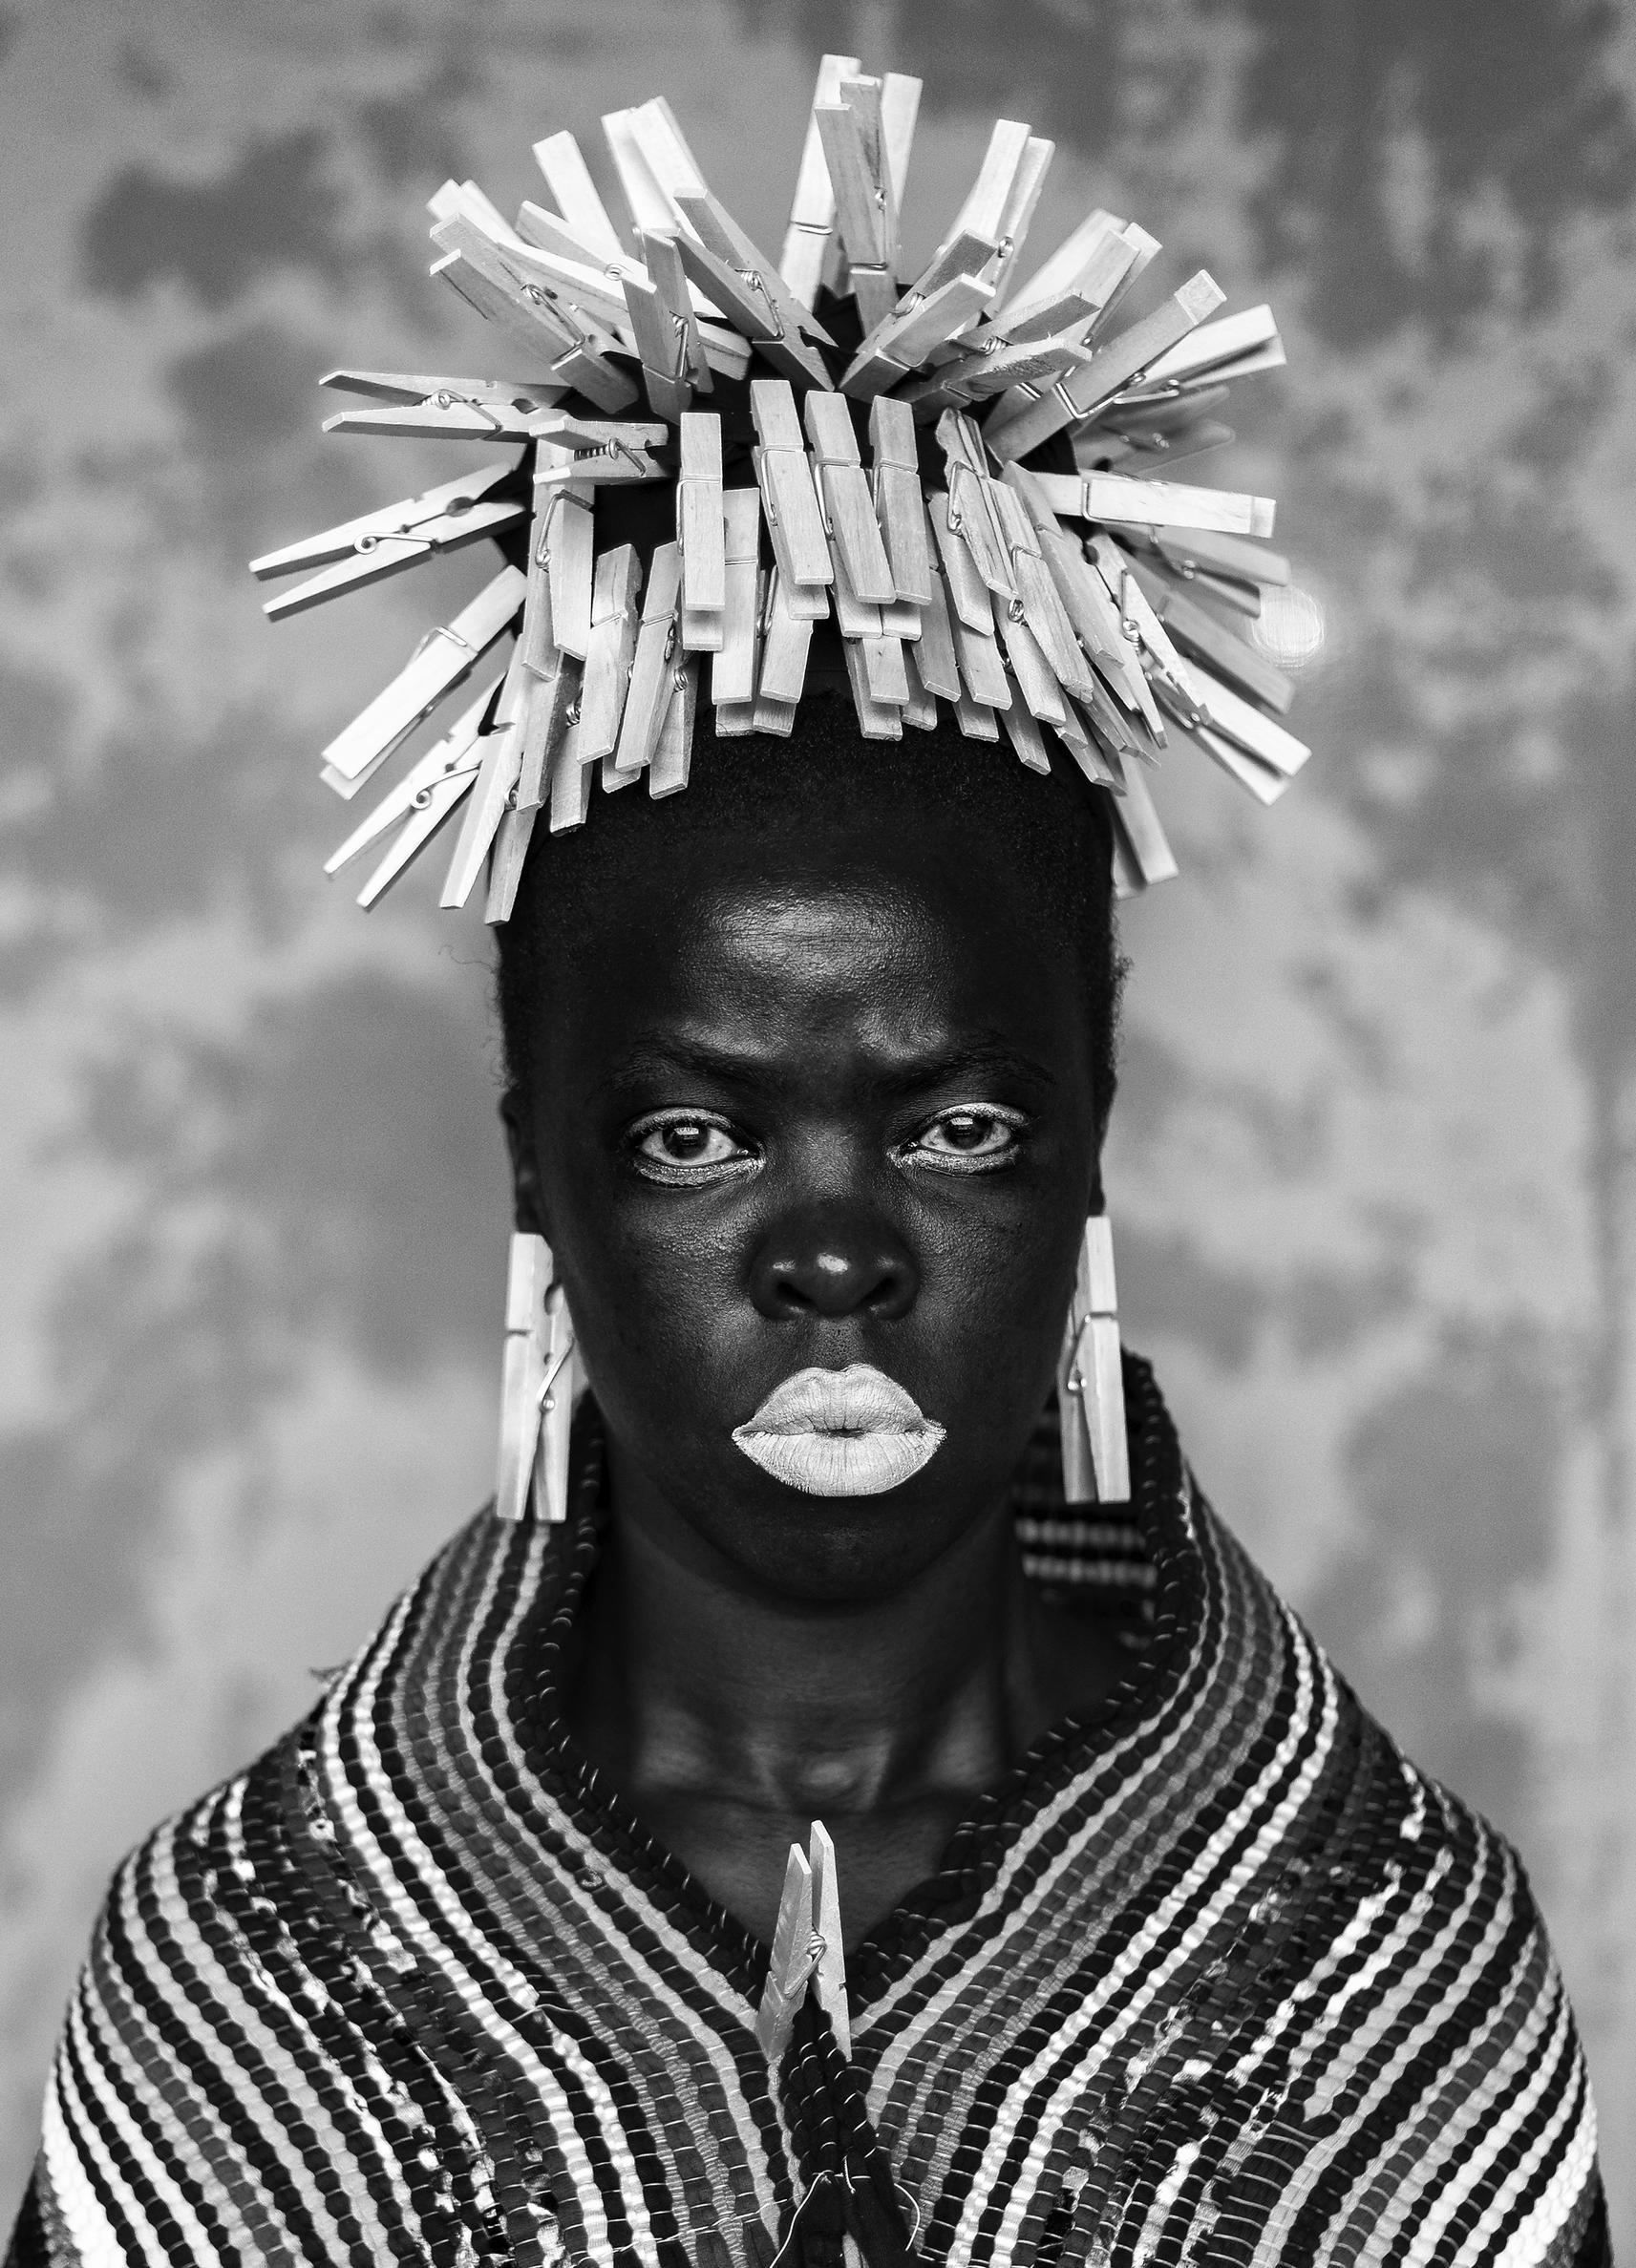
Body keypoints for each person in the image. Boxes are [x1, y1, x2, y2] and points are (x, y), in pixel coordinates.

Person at [6, 70, 1611, 2268]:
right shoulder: (238, 1996)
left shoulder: (1391, 1981)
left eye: (954, 1126)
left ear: (1089, 1150)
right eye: (692, 1133)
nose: (836, 1250)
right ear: (534, 1182)